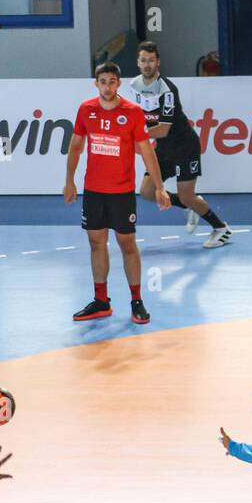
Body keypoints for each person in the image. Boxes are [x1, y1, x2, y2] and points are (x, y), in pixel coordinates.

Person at [64, 61, 171, 326]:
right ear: (96, 83)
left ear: (118, 83)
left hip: (121, 192)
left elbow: (147, 152)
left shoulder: (132, 113)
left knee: (127, 245)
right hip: (93, 191)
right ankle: (101, 301)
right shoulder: (86, 110)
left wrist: (159, 187)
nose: (108, 86)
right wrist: (69, 181)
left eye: (112, 81)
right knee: (96, 243)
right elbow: (76, 146)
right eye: (103, 81)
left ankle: (136, 301)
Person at [125, 41, 233, 249]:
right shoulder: (134, 86)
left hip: (185, 146)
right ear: (138, 63)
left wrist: (133, 136)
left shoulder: (167, 90)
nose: (147, 64)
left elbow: (163, 129)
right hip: (163, 148)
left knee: (187, 194)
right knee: (147, 192)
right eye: (143, 60)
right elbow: (139, 117)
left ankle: (221, 228)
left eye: (151, 60)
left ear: (158, 62)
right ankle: (188, 206)